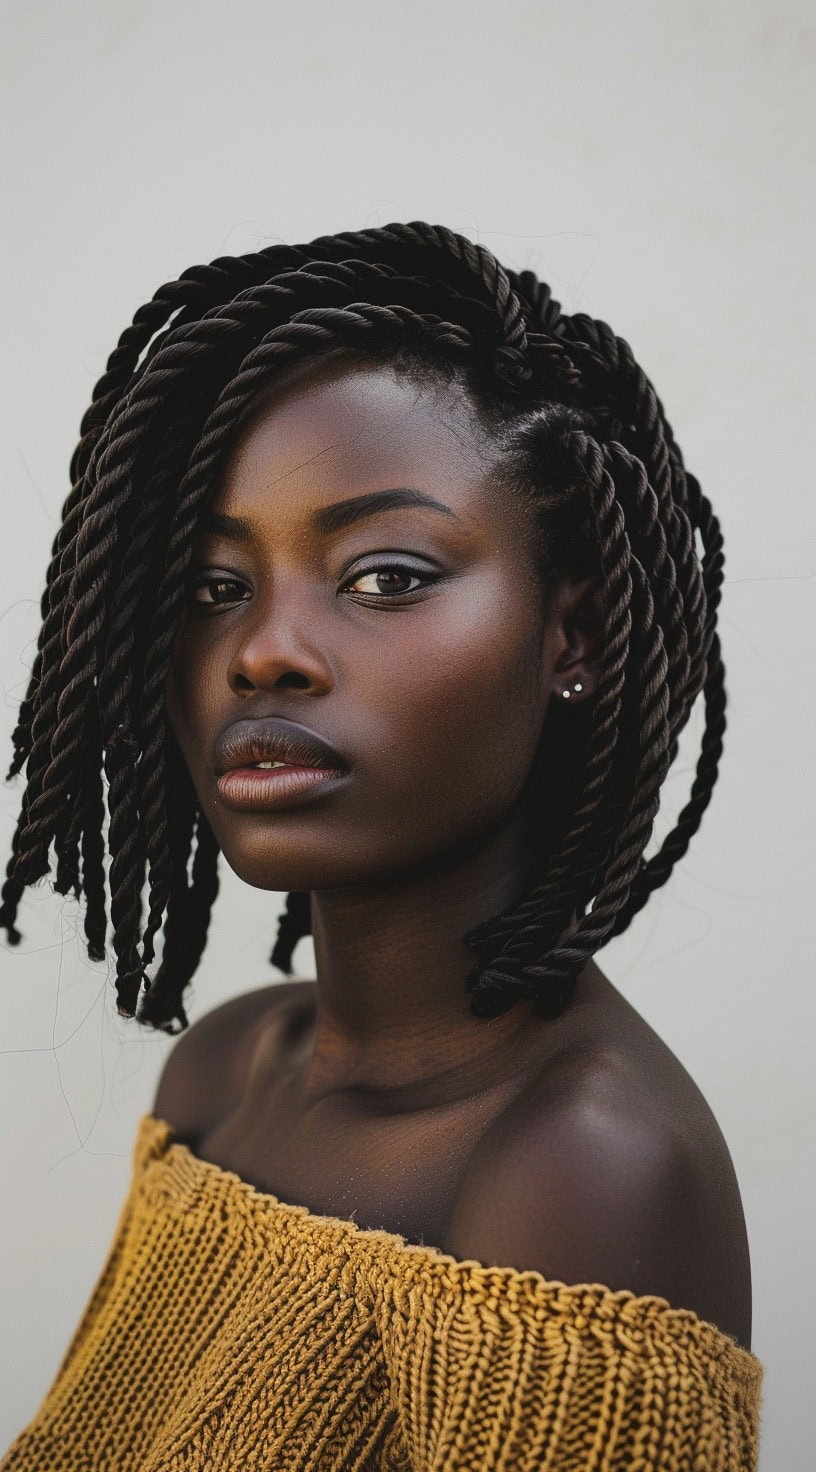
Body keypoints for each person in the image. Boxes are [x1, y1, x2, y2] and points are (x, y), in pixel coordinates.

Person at [0, 222, 763, 1469]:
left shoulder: (582, 1166)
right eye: (212, 586)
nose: (264, 651)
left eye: (386, 575)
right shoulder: (221, 1072)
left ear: (572, 635)